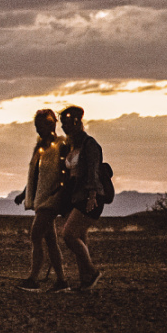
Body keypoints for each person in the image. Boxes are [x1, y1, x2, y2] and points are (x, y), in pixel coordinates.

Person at [18, 109, 70, 292]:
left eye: (41, 126)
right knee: (50, 241)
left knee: (35, 235)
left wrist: (60, 194)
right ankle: (62, 281)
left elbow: (66, 173)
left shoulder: (62, 145)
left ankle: (33, 279)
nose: (38, 130)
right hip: (40, 199)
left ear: (51, 125)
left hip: (51, 200)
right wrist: (24, 194)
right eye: (37, 127)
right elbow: (36, 175)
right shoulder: (40, 148)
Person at [59, 106, 104, 290]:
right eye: (63, 125)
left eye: (67, 124)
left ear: (77, 123)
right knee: (80, 236)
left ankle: (92, 271)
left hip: (88, 195)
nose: (64, 128)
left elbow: (94, 171)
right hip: (75, 196)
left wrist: (92, 194)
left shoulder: (89, 145)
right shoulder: (71, 147)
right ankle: (85, 279)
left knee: (68, 235)